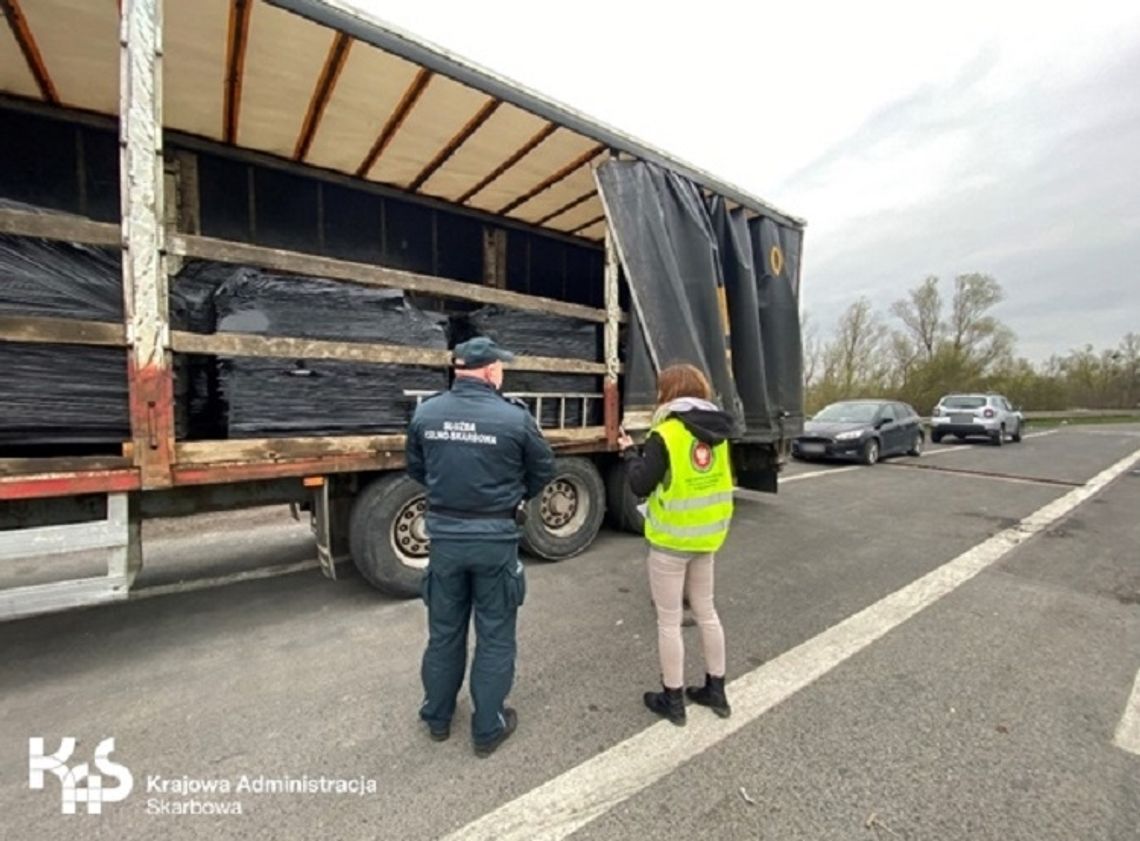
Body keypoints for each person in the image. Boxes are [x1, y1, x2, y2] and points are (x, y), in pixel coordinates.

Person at [406, 336, 555, 757]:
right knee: (495, 635)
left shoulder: (426, 412)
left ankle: (437, 717)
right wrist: (510, 496)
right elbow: (544, 469)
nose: (502, 372)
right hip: (495, 540)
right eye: (501, 367)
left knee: (443, 633)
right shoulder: (514, 418)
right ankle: (487, 727)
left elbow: (416, 467)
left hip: (445, 540)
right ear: (490, 371)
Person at [619, 363, 735, 726]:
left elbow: (640, 484)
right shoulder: (720, 433)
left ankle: (672, 699)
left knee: (669, 621)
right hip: (708, 537)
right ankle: (716, 690)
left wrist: (628, 453)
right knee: (707, 611)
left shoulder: (666, 433)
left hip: (672, 541)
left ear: (668, 393)